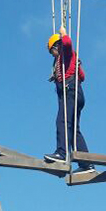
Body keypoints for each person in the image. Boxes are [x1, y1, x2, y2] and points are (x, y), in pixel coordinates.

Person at [44, 29, 96, 175]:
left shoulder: (65, 54)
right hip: (77, 94)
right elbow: (82, 76)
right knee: (73, 130)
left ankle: (61, 153)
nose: (52, 55)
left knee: (61, 122)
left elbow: (67, 44)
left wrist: (63, 33)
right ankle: (86, 164)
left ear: (56, 46)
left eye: (52, 51)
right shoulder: (66, 61)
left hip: (71, 94)